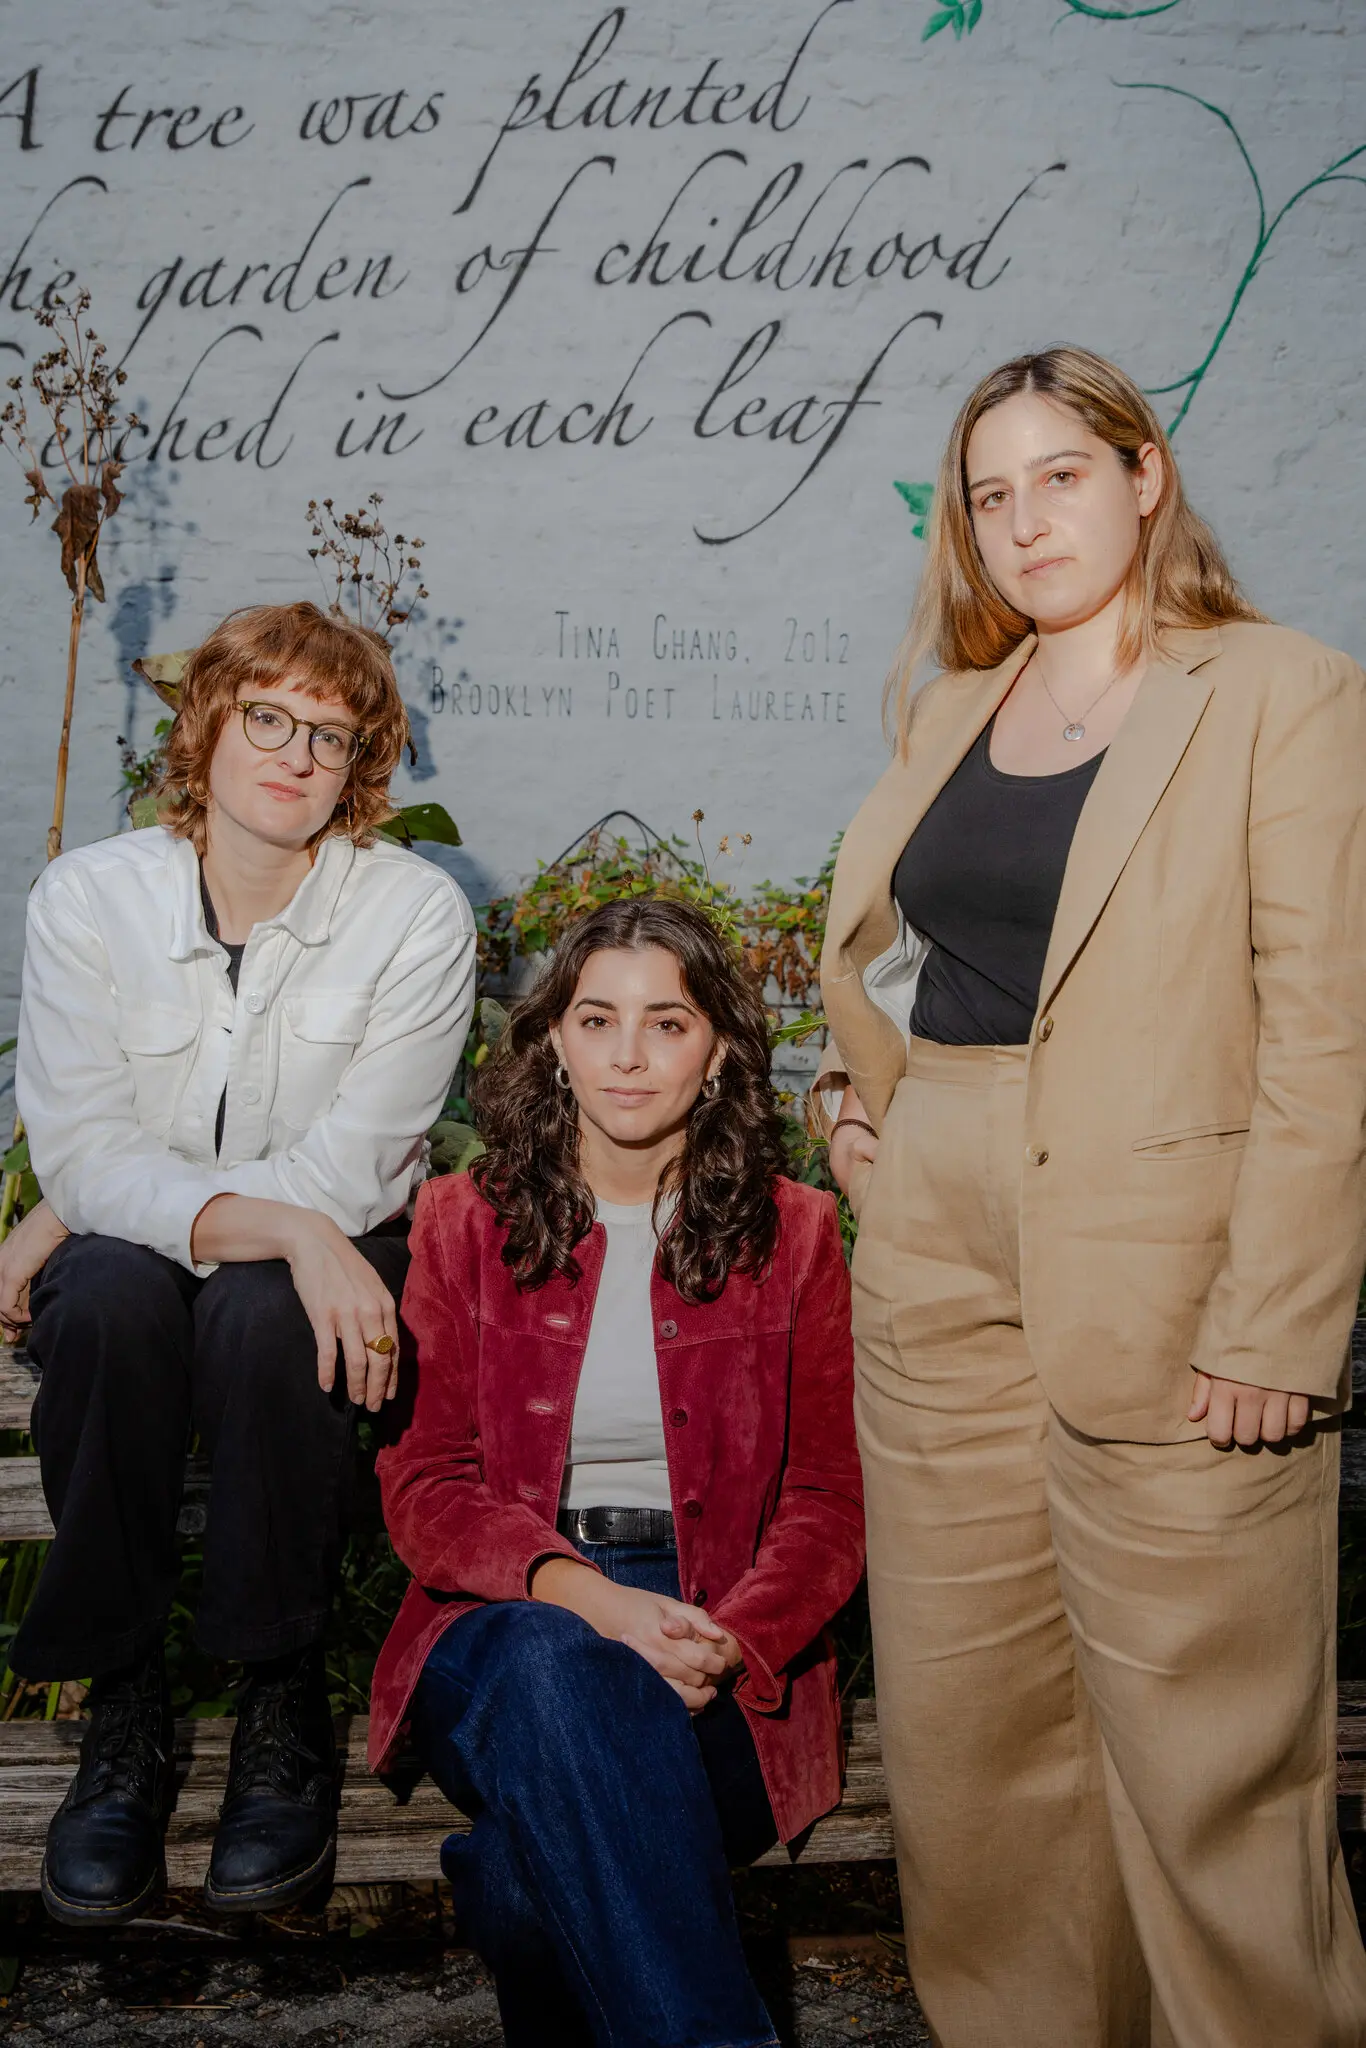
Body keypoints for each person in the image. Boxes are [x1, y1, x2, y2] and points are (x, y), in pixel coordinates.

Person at [816, 345, 1366, 2047]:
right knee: (974, 1755)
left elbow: (1326, 1037)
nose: (1023, 515)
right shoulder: (954, 705)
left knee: (1211, 1764)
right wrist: (854, 1110)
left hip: (1170, 1262)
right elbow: (902, 959)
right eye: (990, 491)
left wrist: (1277, 1317)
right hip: (934, 1245)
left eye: (1062, 471)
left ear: (1146, 477)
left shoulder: (1285, 691)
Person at [0, 600, 476, 1925]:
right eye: (266, 717)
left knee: (270, 1317)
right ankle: (126, 1709)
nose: (295, 753)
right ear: (205, 729)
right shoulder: (90, 898)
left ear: (361, 766)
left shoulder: (412, 915)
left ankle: (281, 1699)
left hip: (307, 1269)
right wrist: (262, 1219)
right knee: (100, 1303)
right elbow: (86, 1150)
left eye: (330, 734)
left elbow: (350, 1171)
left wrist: (101, 1205)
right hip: (156, 1264)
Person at [369, 896, 863, 2048]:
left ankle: (519, 1879)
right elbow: (427, 1482)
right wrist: (590, 1600)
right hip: (504, 1621)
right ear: (553, 1038)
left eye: (667, 1022)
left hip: (720, 1630)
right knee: (560, 1667)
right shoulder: (459, 1220)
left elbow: (830, 1501)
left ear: (722, 1049)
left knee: (523, 1871)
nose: (628, 1054)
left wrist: (728, 1637)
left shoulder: (794, 1232)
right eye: (596, 1018)